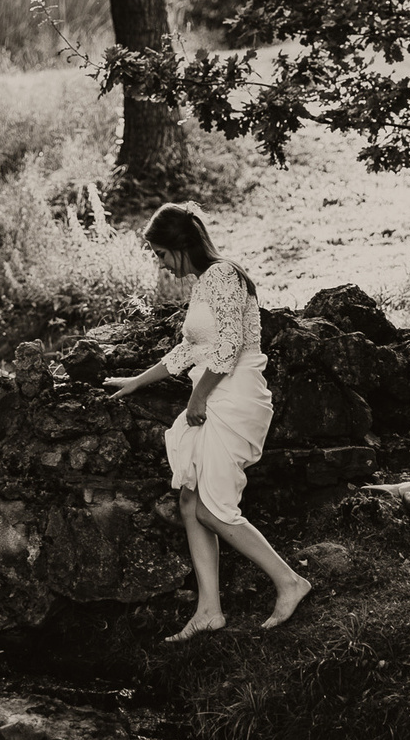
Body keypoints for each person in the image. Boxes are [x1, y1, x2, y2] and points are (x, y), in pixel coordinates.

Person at [102, 202, 309, 639]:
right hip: (215, 392)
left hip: (233, 396)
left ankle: (290, 581)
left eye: (160, 254)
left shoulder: (223, 276)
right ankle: (209, 611)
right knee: (189, 503)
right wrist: (139, 380)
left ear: (179, 246)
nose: (161, 265)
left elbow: (230, 346)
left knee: (215, 510)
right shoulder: (203, 285)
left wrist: (197, 396)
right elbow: (190, 350)